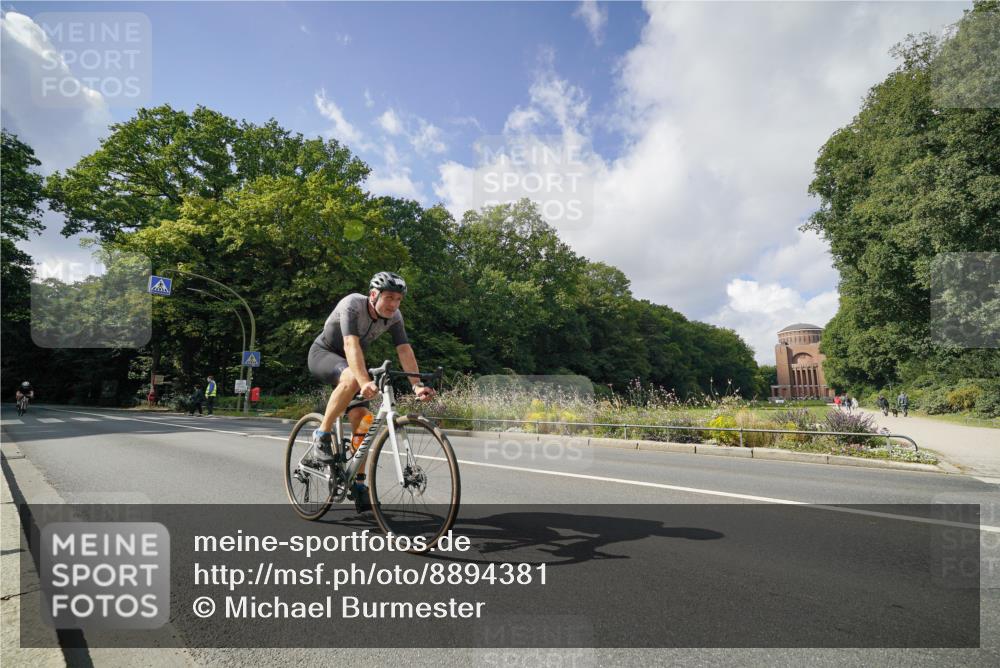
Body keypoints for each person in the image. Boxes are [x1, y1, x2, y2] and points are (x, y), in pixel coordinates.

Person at [307, 271, 436, 513]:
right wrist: (364, 380)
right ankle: (322, 434)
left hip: (351, 361)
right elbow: (350, 345)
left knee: (364, 421)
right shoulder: (352, 305)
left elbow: (405, 350)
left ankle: (358, 482)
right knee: (352, 379)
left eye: (398, 299)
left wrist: (416, 384)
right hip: (324, 354)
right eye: (389, 298)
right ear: (373, 294)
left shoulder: (395, 316)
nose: (394, 304)